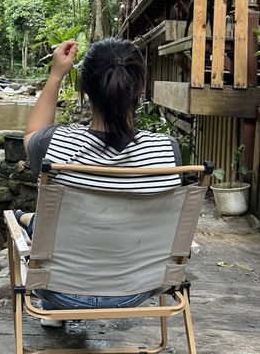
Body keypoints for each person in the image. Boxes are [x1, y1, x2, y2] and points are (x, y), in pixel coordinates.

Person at [18, 37, 182, 325]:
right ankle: (29, 219)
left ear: (86, 90)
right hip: (138, 291)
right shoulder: (167, 149)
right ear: (139, 89)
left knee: (41, 222)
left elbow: (31, 134)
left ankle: (26, 220)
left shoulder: (55, 143)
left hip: (60, 290)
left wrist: (56, 75)